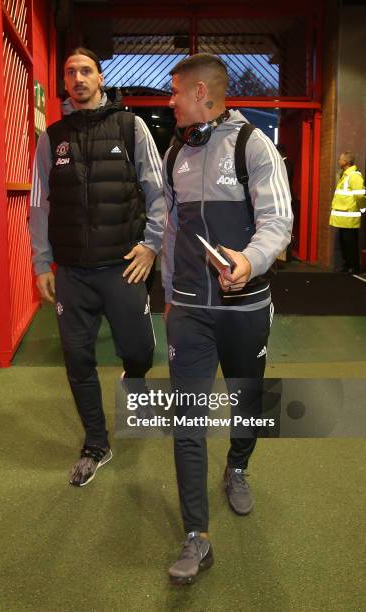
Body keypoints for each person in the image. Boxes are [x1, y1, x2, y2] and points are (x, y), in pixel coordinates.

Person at [161, 54, 293, 584]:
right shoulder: (177, 152)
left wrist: (248, 260)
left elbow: (278, 222)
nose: (169, 101)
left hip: (245, 308)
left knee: (247, 399)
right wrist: (169, 294)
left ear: (201, 94)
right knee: (186, 422)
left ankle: (237, 465)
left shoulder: (252, 146)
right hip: (190, 310)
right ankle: (197, 536)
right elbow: (172, 229)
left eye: (174, 92)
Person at [29, 48, 164, 487]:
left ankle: (135, 377)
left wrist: (151, 246)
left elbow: (157, 191)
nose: (78, 78)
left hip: (123, 267)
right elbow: (37, 205)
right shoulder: (52, 137)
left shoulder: (130, 127)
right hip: (72, 272)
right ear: (65, 83)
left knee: (140, 351)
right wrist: (42, 261)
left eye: (86, 70)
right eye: (70, 72)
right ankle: (95, 443)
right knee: (77, 358)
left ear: (100, 78)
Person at [329, 151, 366, 275]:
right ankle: (347, 265)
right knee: (345, 244)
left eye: (341, 159)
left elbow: (360, 196)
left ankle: (353, 267)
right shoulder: (345, 175)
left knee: (350, 244)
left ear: (346, 162)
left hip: (349, 217)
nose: (339, 161)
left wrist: (363, 208)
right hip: (343, 217)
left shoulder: (354, 176)